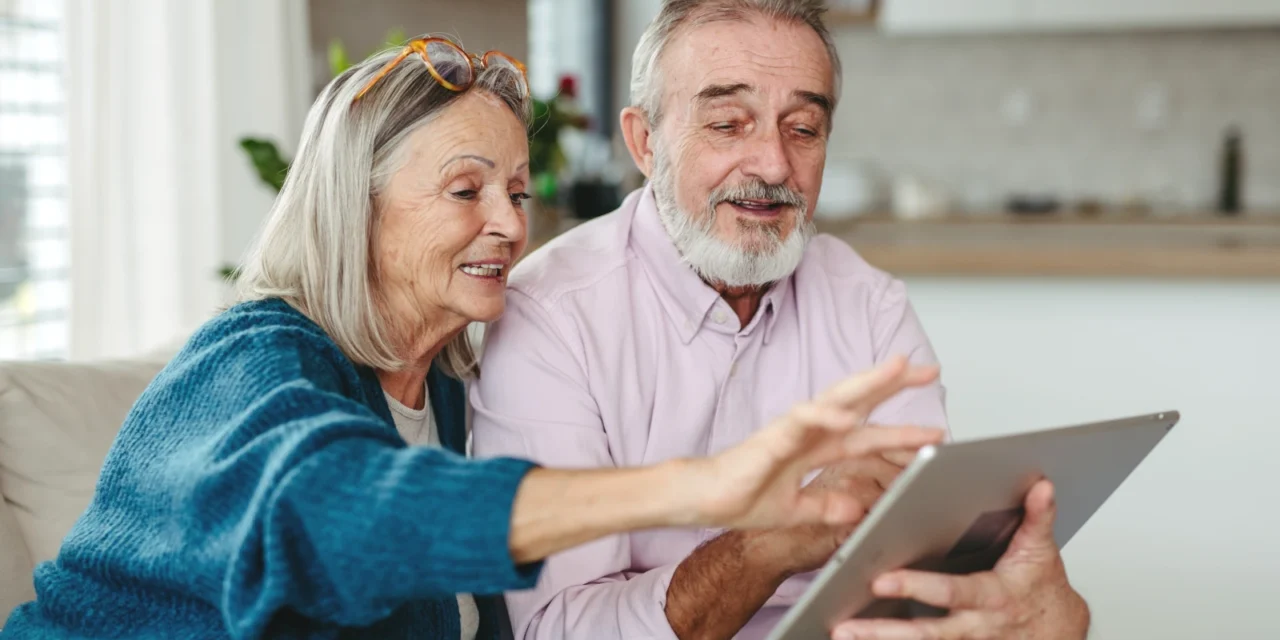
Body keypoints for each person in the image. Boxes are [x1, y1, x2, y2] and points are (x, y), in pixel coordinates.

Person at [0, 35, 948, 640]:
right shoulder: (248, 363)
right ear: (357, 207)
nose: (508, 225)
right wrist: (708, 489)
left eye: (518, 192)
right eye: (466, 190)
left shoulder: (448, 388)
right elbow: (342, 511)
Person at [469, 2, 1092, 639]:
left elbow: (922, 570)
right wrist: (770, 542)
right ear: (645, 142)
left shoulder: (868, 305)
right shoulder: (550, 317)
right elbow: (555, 630)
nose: (772, 165)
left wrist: (1029, 610)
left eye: (802, 129)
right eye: (727, 123)